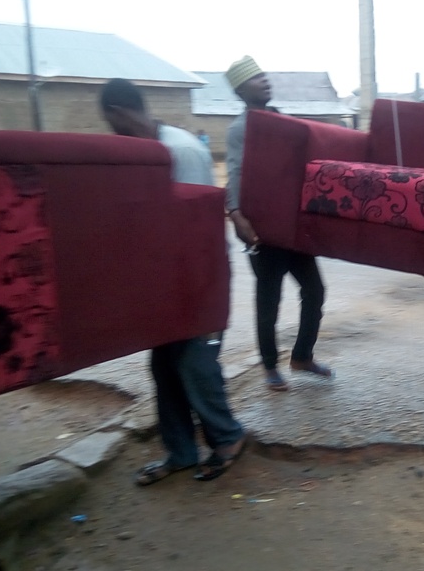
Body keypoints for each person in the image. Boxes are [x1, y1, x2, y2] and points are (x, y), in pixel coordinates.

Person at [99, 78, 246, 484]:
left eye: (115, 125)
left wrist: (197, 288)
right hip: (165, 278)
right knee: (164, 365)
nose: (116, 135)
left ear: (120, 112)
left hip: (197, 275)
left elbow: (197, 227)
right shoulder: (148, 154)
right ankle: (180, 452)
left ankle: (228, 437)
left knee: (196, 362)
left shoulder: (179, 150)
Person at [224, 55, 332, 392]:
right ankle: (270, 365)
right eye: (257, 79)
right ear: (241, 91)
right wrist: (236, 215)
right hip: (263, 227)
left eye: (265, 76)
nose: (265, 81)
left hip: (293, 226)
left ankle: (302, 356)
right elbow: (235, 173)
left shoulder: (281, 121)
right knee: (269, 298)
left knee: (314, 289)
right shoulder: (241, 129)